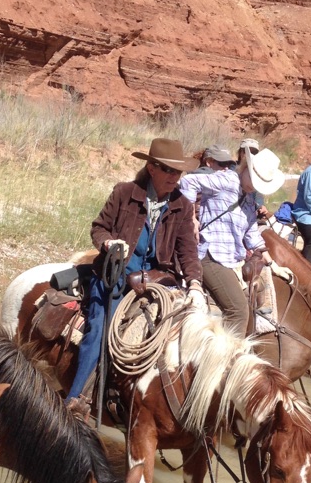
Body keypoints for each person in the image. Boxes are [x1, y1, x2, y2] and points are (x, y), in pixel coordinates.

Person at [65, 137, 205, 417]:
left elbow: (188, 252)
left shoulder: (182, 205)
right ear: (152, 168)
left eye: (178, 172)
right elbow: (99, 228)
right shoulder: (125, 193)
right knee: (100, 329)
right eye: (168, 170)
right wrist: (108, 243)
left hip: (158, 280)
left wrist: (195, 284)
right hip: (115, 275)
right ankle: (77, 397)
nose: (174, 177)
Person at [179, 144, 287, 337]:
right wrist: (190, 218)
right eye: (253, 178)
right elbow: (188, 182)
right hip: (210, 255)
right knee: (238, 311)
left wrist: (273, 264)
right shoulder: (226, 179)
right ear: (245, 167)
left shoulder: (249, 198)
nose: (253, 185)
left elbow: (251, 233)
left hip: (231, 259)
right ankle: (228, 353)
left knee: (252, 300)